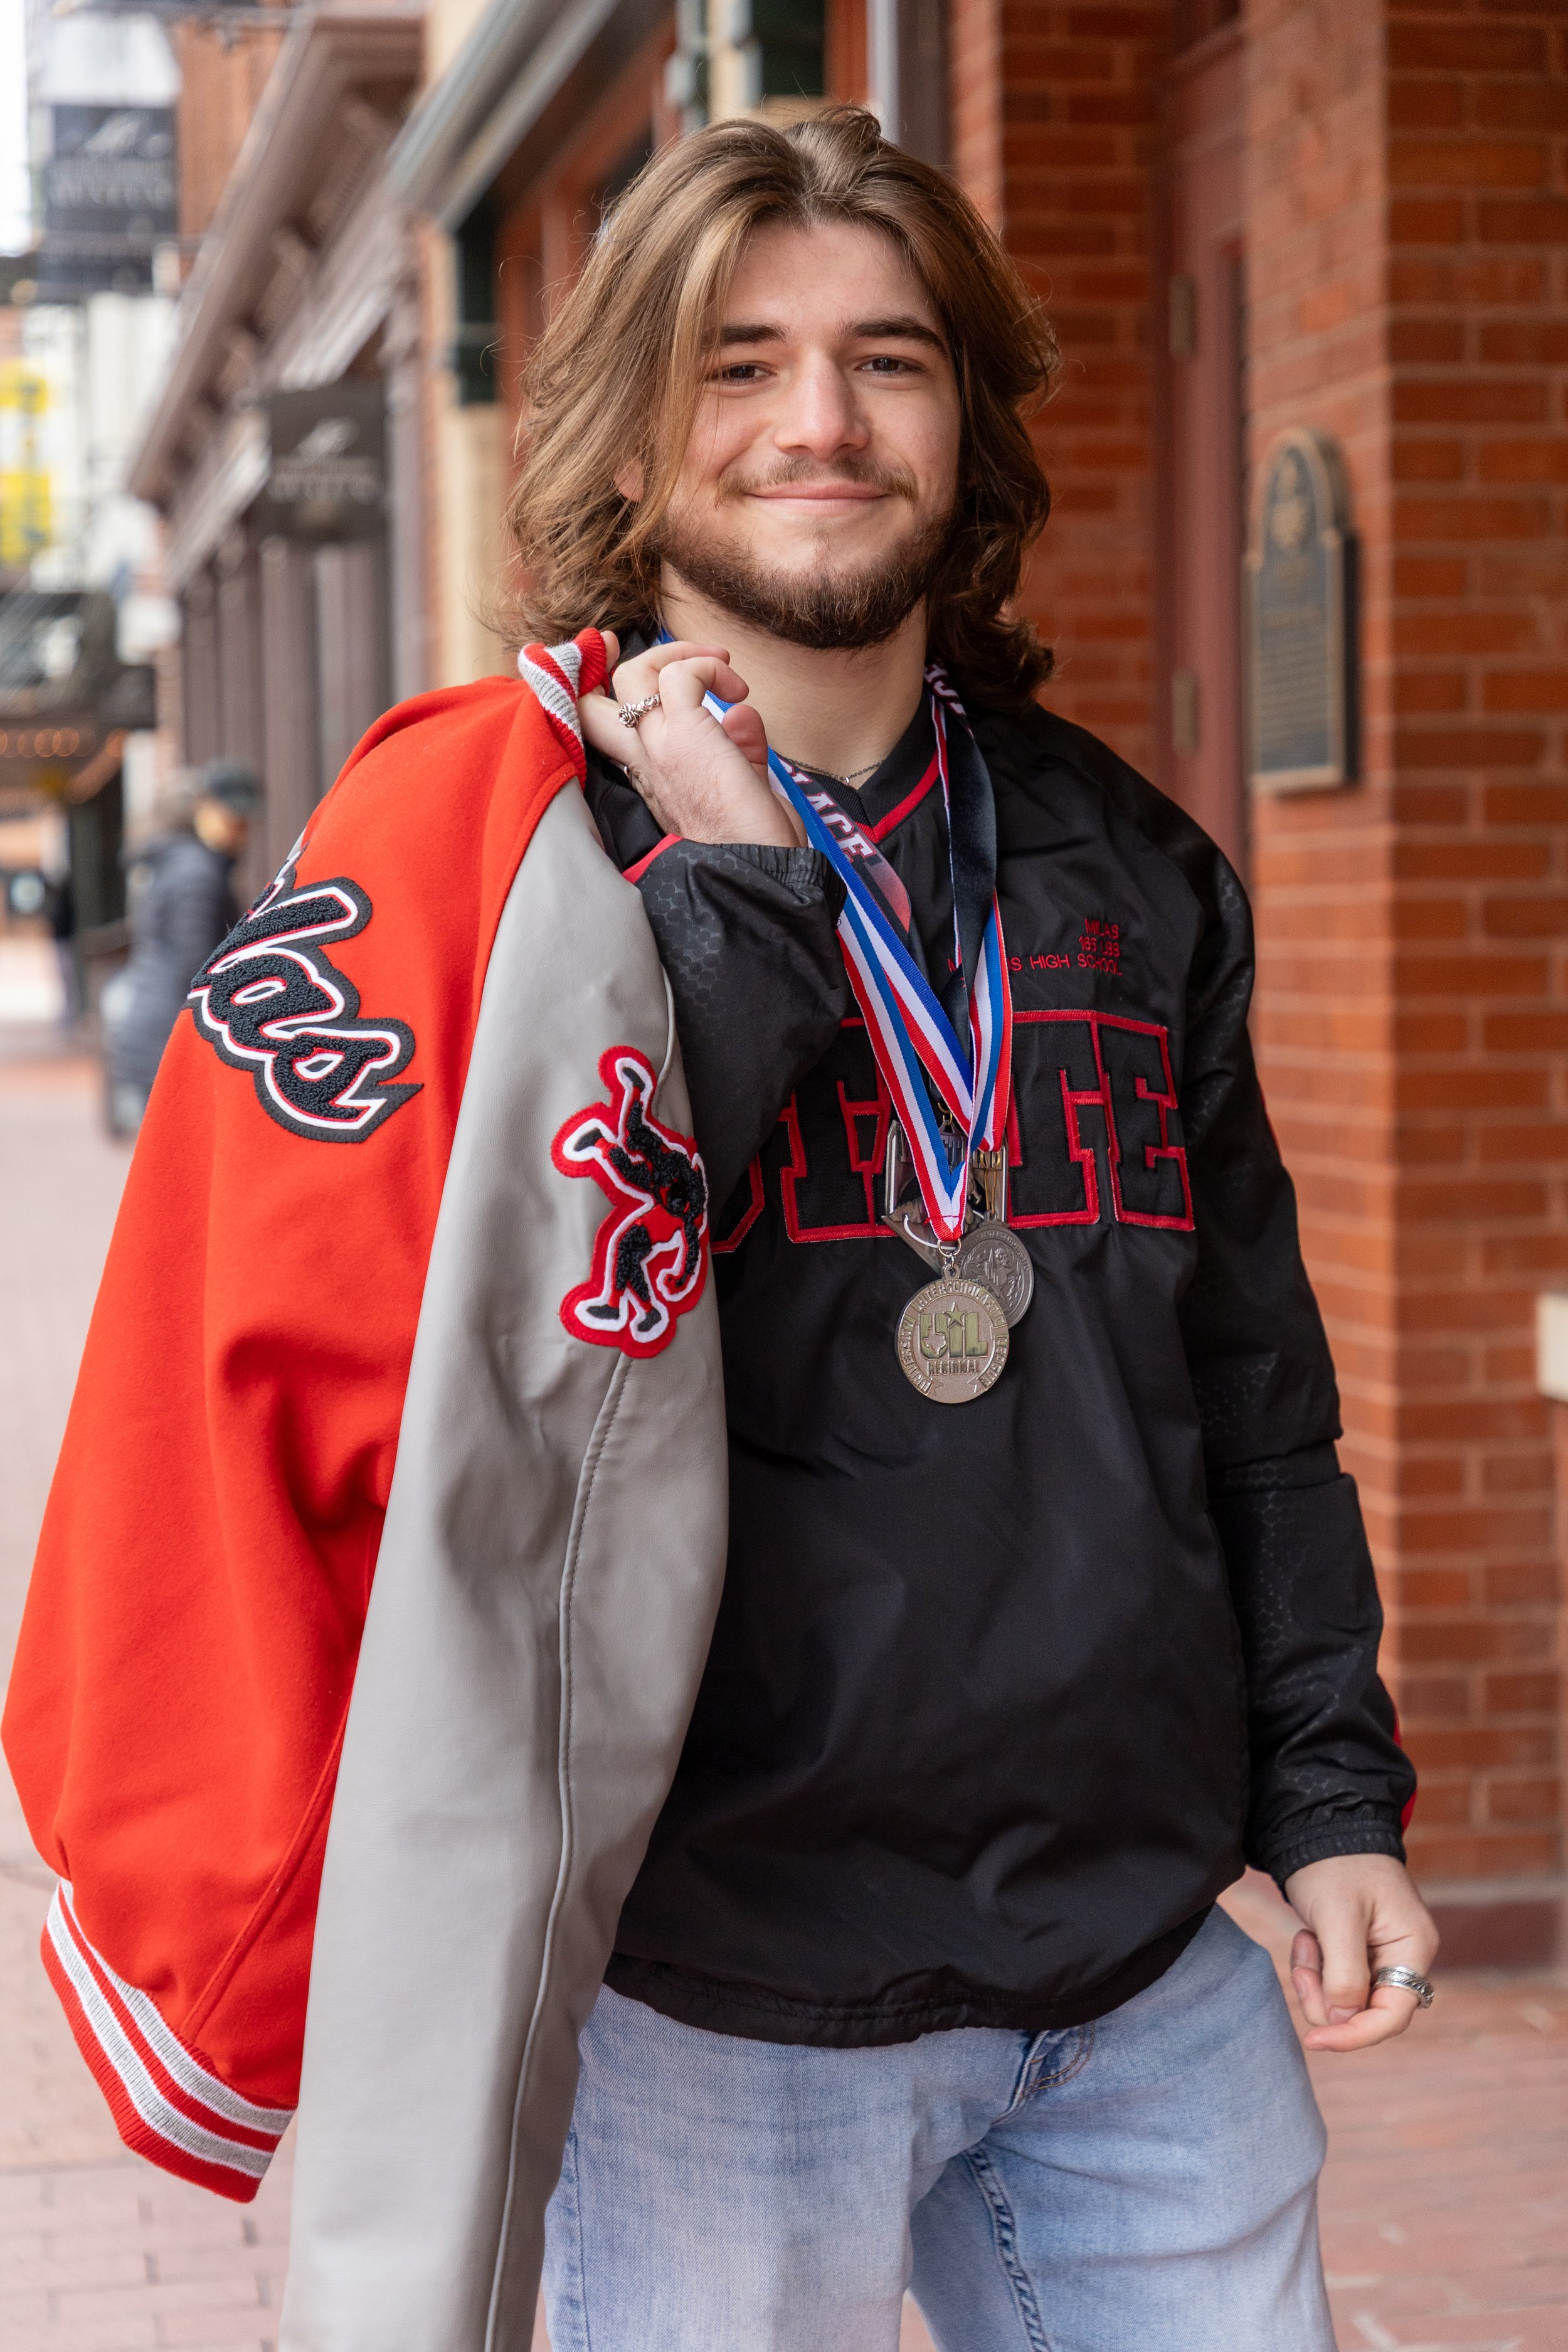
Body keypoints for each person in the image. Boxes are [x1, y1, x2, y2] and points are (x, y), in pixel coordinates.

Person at [3, 109, 1434, 2352]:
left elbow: (1252, 1389)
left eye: (887, 358)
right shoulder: (489, 848)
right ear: (633, 427)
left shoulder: (1132, 868)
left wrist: (1331, 1788)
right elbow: (430, 1360)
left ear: (966, 419)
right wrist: (747, 909)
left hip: (1139, 1964)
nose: (821, 423)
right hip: (708, 1989)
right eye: (740, 361)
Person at [103, 760, 258, 1135]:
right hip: (167, 1042)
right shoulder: (196, 872)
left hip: (153, 1029)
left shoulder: (175, 863)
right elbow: (200, 968)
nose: (243, 828)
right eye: (232, 816)